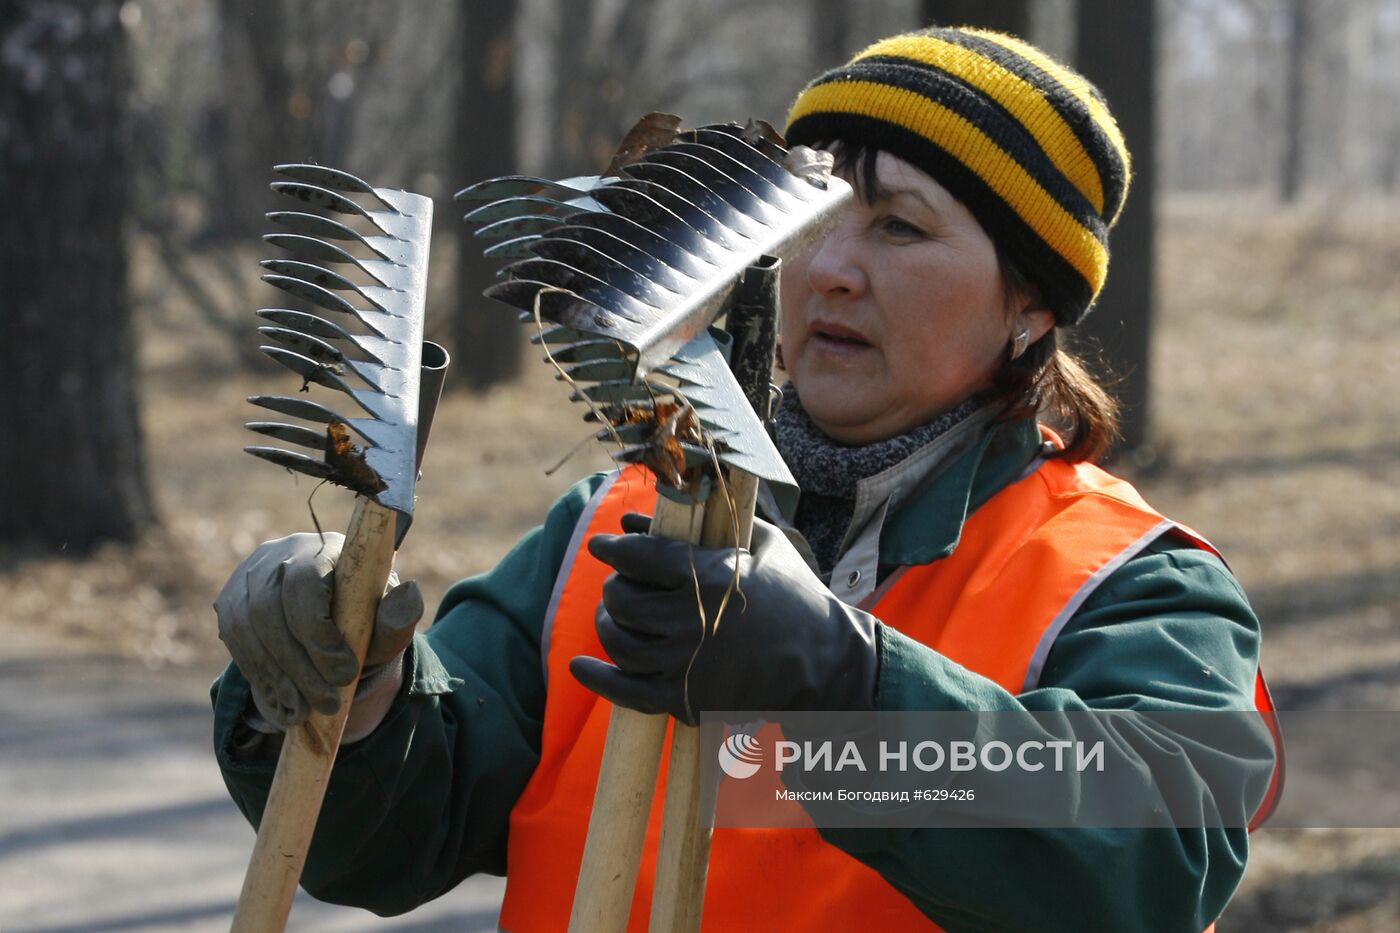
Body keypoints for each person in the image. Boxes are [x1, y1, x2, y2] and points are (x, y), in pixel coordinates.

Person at [212, 26, 1279, 931]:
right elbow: (393, 836)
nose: (830, 268)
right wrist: (350, 700)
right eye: (803, 219)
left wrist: (840, 682)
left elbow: (1156, 856)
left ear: (1030, 307)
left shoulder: (1119, 580)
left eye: (898, 226)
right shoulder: (615, 526)